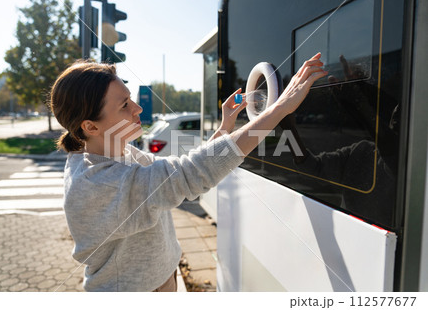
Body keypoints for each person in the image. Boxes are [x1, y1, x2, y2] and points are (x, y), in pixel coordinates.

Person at [49, 53, 327, 292]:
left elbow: (178, 172)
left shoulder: (120, 153)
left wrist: (223, 129)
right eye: (124, 105)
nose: (138, 108)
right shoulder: (100, 183)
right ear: (91, 127)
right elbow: (188, 175)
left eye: (130, 98)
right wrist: (280, 108)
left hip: (159, 283)